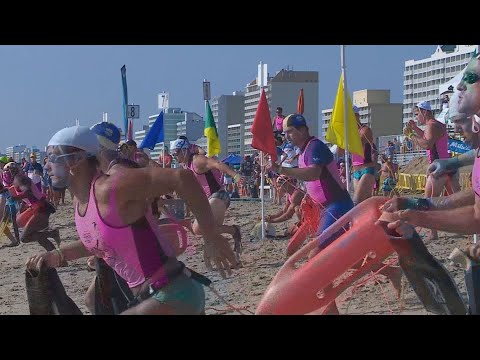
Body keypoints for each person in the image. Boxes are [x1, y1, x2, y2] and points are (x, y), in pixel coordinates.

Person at [26, 125, 237, 315]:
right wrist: (58, 255)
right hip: (151, 298)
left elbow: (182, 178)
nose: (46, 166)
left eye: (53, 157)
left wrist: (211, 236)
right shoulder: (81, 201)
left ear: (76, 160)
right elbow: (98, 241)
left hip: (173, 294)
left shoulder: (110, 188)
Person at [172, 137, 242, 263]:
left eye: (176, 153)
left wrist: (234, 175)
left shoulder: (197, 161)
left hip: (219, 196)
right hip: (208, 200)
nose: (174, 156)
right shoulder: (185, 166)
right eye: (173, 154)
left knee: (201, 228)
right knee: (211, 231)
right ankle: (233, 238)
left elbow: (217, 164)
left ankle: (234, 232)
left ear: (184, 151)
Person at [405, 100, 461, 240]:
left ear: (424, 112)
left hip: (438, 167)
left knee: (429, 202)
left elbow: (427, 144)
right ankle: (463, 229)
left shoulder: (431, 126)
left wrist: (411, 135)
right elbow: (428, 136)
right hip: (449, 165)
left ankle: (433, 233)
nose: (417, 117)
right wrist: (414, 128)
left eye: (417, 114)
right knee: (456, 201)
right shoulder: (437, 125)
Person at [3, 161, 59, 250]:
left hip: (41, 208)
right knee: (39, 237)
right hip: (38, 207)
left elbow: (28, 193)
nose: (6, 175)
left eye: (7, 172)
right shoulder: (17, 179)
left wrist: (14, 198)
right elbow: (26, 197)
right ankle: (57, 256)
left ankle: (53, 234)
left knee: (24, 237)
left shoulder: (20, 178)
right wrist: (21, 208)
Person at [350, 105, 378, 205]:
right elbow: (340, 152)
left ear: (356, 116)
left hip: (366, 169)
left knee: (356, 202)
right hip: (356, 171)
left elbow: (359, 143)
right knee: (365, 203)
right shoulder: (350, 133)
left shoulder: (365, 130)